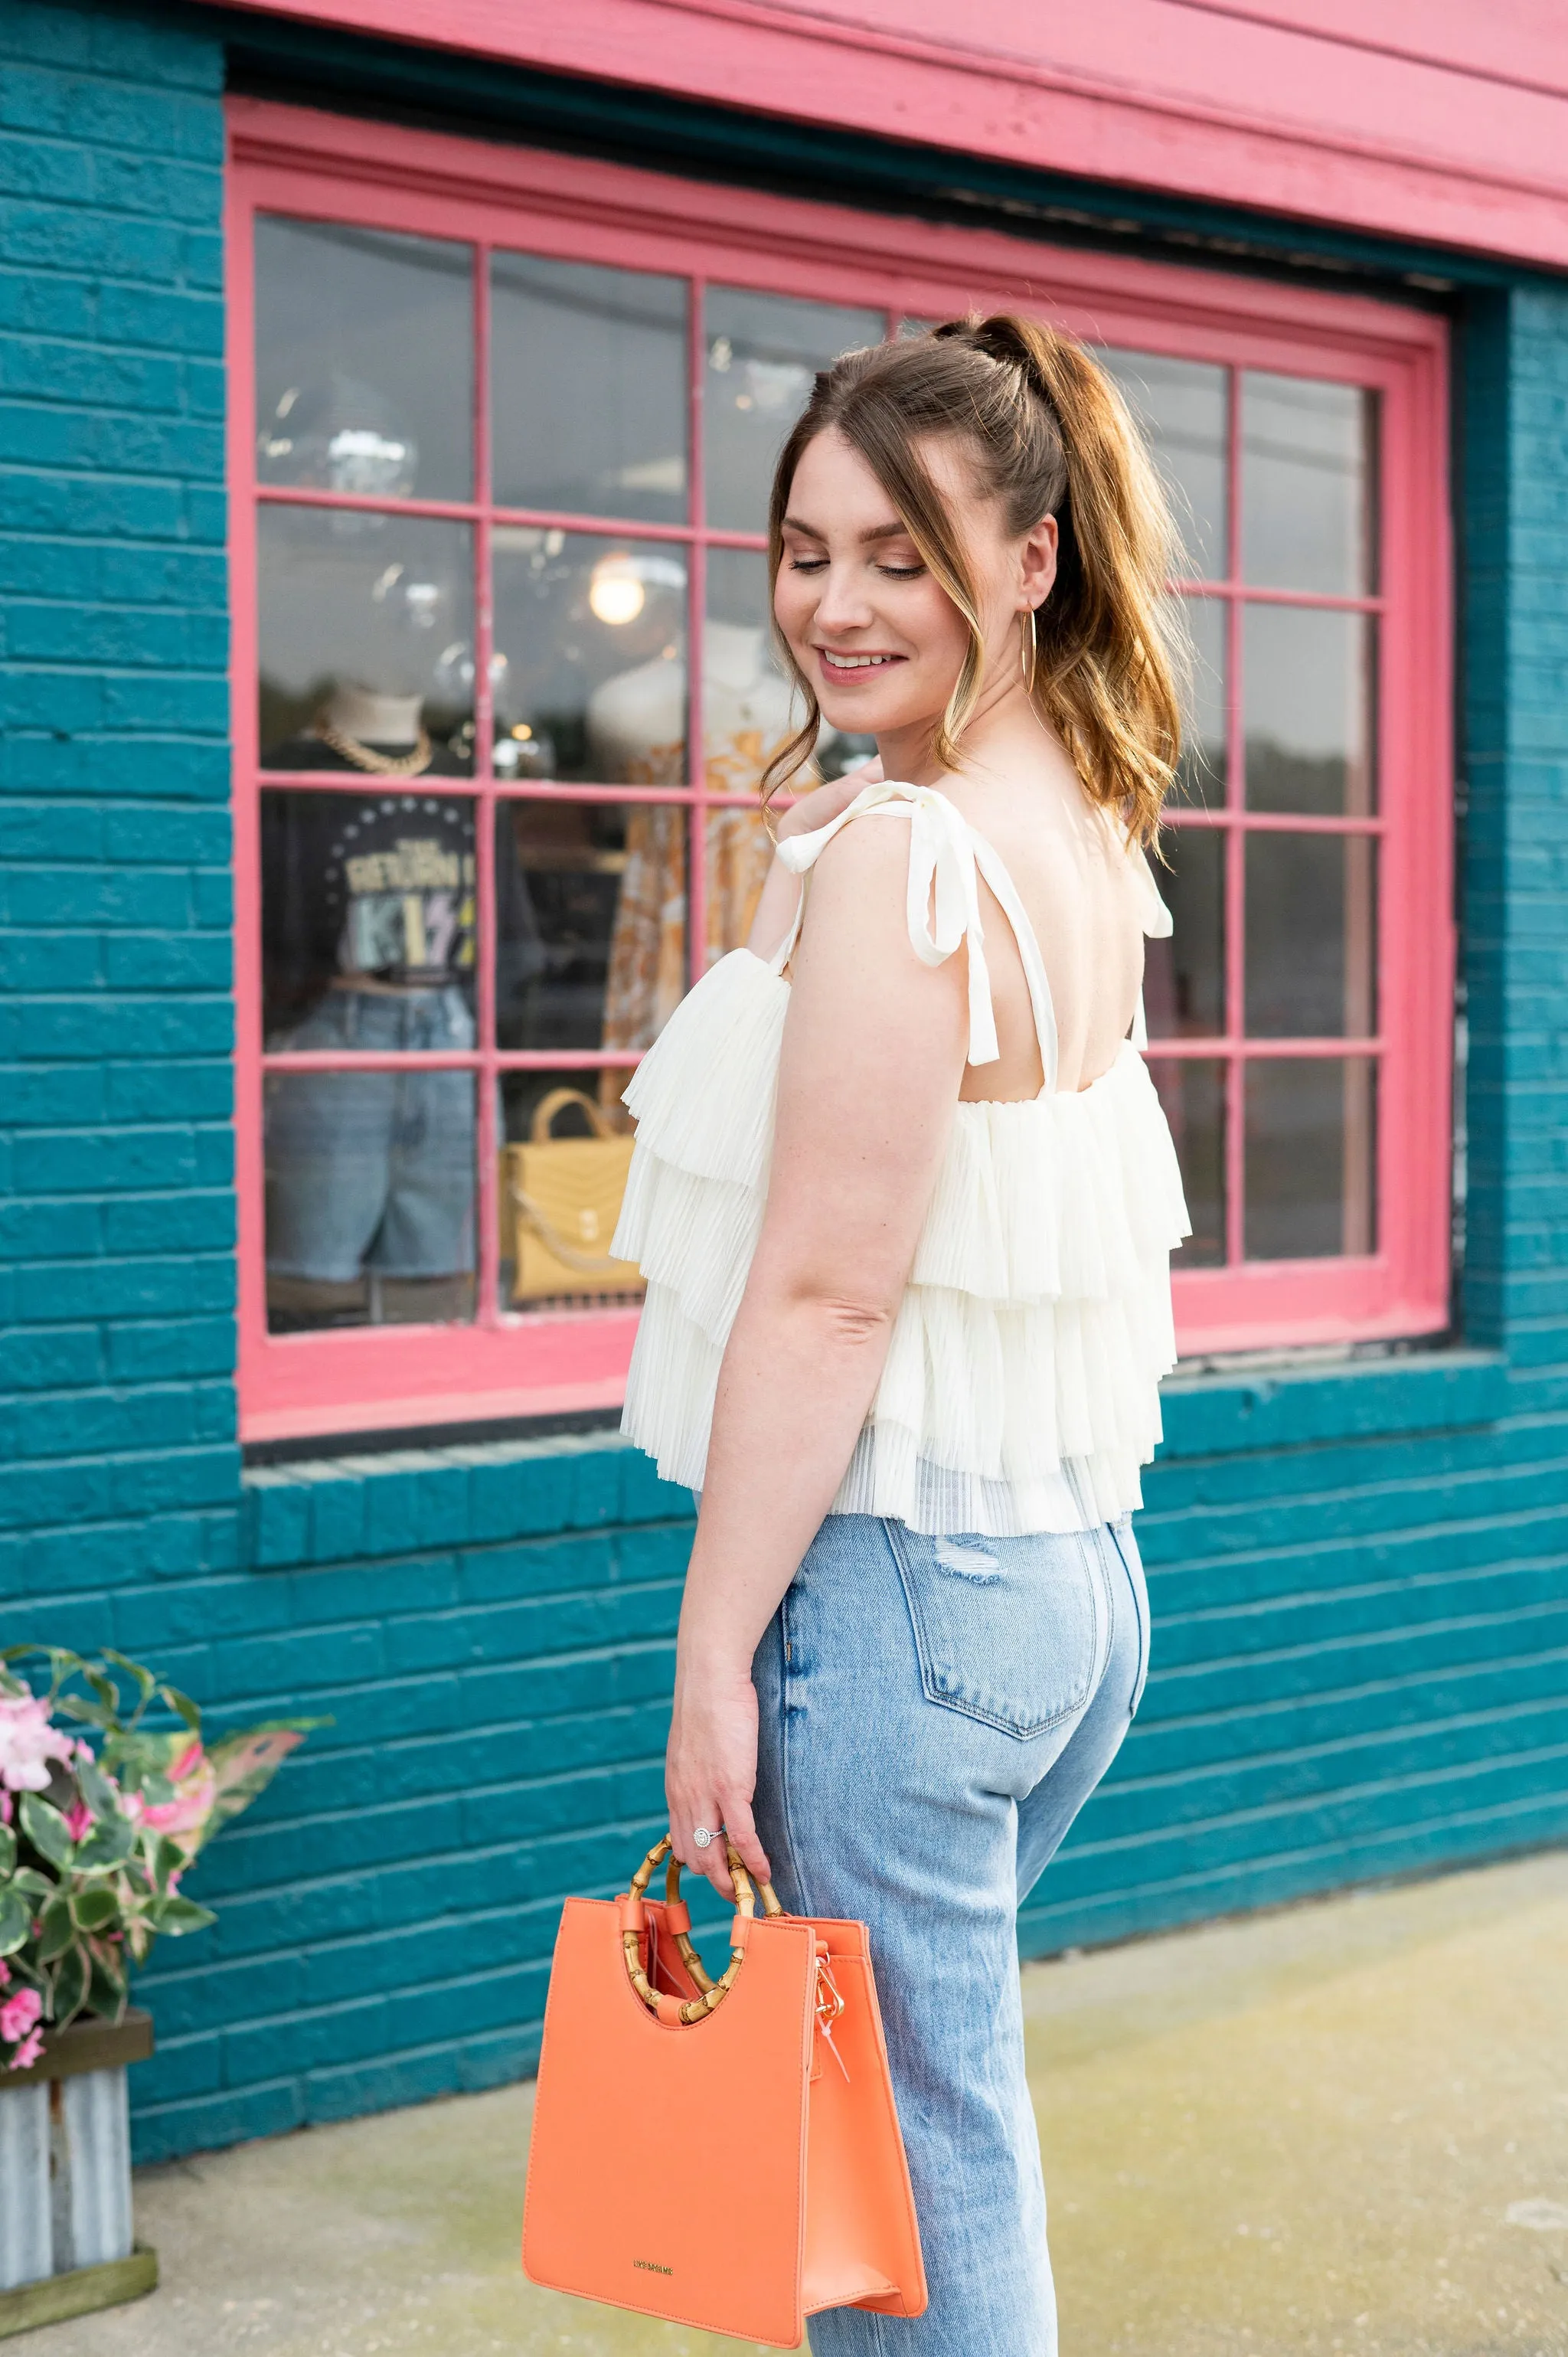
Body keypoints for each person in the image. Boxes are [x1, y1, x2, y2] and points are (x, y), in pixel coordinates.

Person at [611, 314, 1192, 2353]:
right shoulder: (1078, 827)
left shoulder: (900, 856)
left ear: (1029, 559)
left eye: (901, 552)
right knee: (925, 2129)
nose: (838, 605)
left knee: (909, 2180)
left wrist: (709, 1657)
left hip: (897, 1602)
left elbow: (828, 1291)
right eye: (805, 549)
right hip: (1062, 1586)